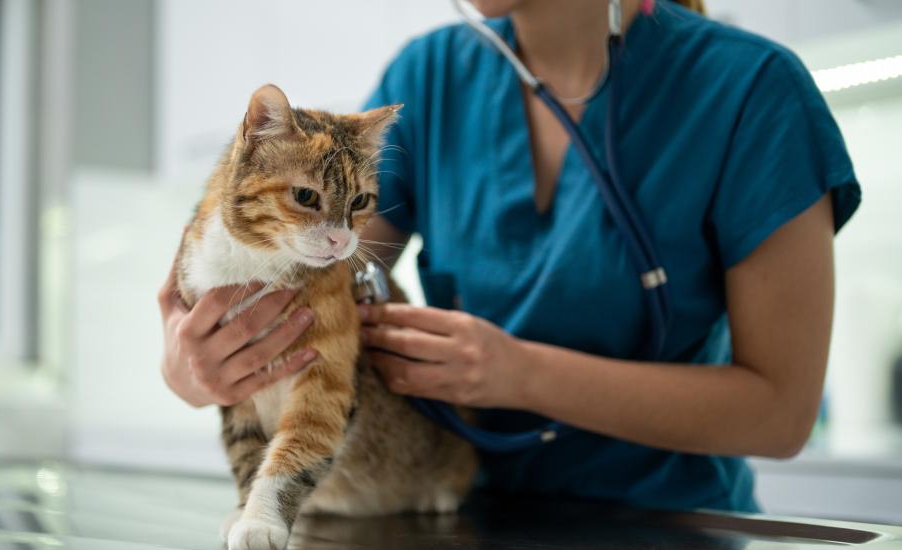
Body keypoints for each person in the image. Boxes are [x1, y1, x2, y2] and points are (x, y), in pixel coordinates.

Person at [158, 0, 860, 513]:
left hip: (671, 525)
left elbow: (781, 415)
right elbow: (315, 276)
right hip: (457, 511)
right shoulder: (432, 74)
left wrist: (519, 374)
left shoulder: (754, 92)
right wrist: (195, 363)